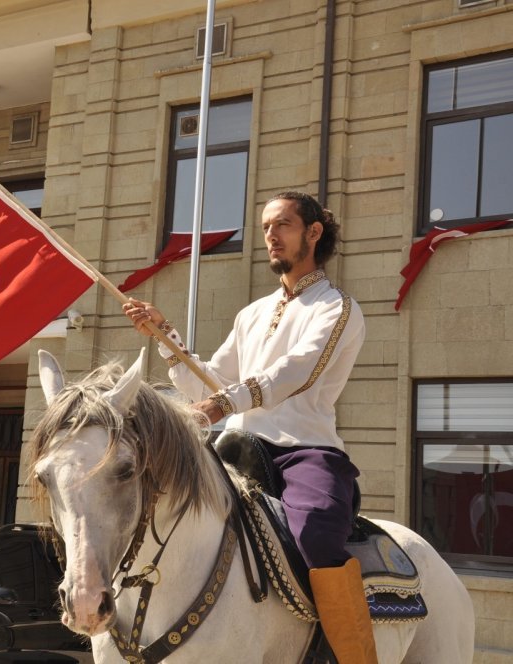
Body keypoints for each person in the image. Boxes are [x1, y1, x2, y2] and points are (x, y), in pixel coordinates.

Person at [123, 191, 375, 664]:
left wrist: (224, 403)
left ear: (314, 233)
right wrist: (165, 337)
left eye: (282, 225)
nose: (271, 237)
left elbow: (295, 373)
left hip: (305, 449)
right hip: (235, 445)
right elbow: (211, 382)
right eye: (265, 228)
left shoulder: (336, 308)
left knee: (318, 538)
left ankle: (353, 656)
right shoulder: (251, 313)